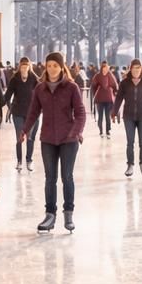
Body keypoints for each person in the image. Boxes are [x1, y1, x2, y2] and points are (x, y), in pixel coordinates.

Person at [25, 51, 86, 234]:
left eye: (55, 65)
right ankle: (50, 215)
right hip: (48, 139)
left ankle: (68, 213)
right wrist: (25, 130)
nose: (51, 69)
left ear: (62, 67)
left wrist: (75, 132)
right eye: (49, 65)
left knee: (67, 176)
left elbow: (81, 114)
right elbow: (33, 112)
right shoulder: (40, 88)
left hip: (69, 139)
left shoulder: (71, 87)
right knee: (50, 178)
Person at [114, 59, 142, 179]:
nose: (136, 70)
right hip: (128, 116)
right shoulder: (124, 83)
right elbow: (118, 98)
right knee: (130, 143)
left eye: (138, 68)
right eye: (134, 68)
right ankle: (130, 165)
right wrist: (114, 111)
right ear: (131, 69)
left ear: (141, 69)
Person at [4, 56, 41, 173]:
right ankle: (19, 161)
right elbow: (8, 95)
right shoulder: (14, 79)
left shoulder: (34, 78)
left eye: (26, 66)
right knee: (19, 137)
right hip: (18, 112)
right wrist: (8, 107)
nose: (24, 68)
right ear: (19, 67)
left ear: (29, 67)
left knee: (30, 138)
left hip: (31, 113)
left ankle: (29, 160)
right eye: (22, 66)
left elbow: (41, 94)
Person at [91, 61, 118, 138]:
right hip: (99, 99)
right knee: (100, 116)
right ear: (102, 68)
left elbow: (114, 85)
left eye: (106, 68)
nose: (105, 70)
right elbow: (93, 85)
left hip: (108, 99)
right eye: (104, 68)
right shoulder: (97, 76)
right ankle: (101, 131)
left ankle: (108, 131)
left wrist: (115, 92)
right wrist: (95, 92)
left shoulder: (110, 75)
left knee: (107, 116)